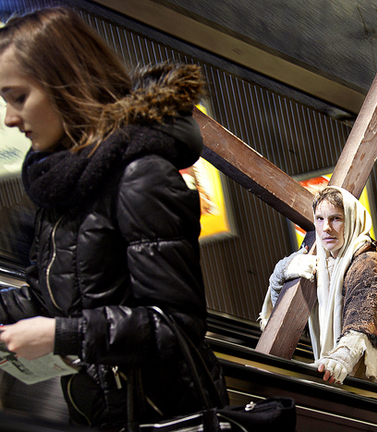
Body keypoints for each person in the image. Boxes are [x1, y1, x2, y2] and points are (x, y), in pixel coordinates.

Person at [0, 7, 227, 430]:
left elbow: (175, 325)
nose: (11, 118)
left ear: (66, 85)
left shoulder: (142, 175)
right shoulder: (65, 179)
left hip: (155, 415)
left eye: (18, 97)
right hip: (98, 412)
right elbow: (53, 296)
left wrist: (58, 336)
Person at [259, 186, 377, 385]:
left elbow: (362, 322)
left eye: (336, 218)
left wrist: (340, 359)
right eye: (320, 219)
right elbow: (285, 318)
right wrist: (280, 273)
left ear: (352, 220)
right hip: (332, 371)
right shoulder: (321, 261)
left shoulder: (368, 260)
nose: (326, 227)